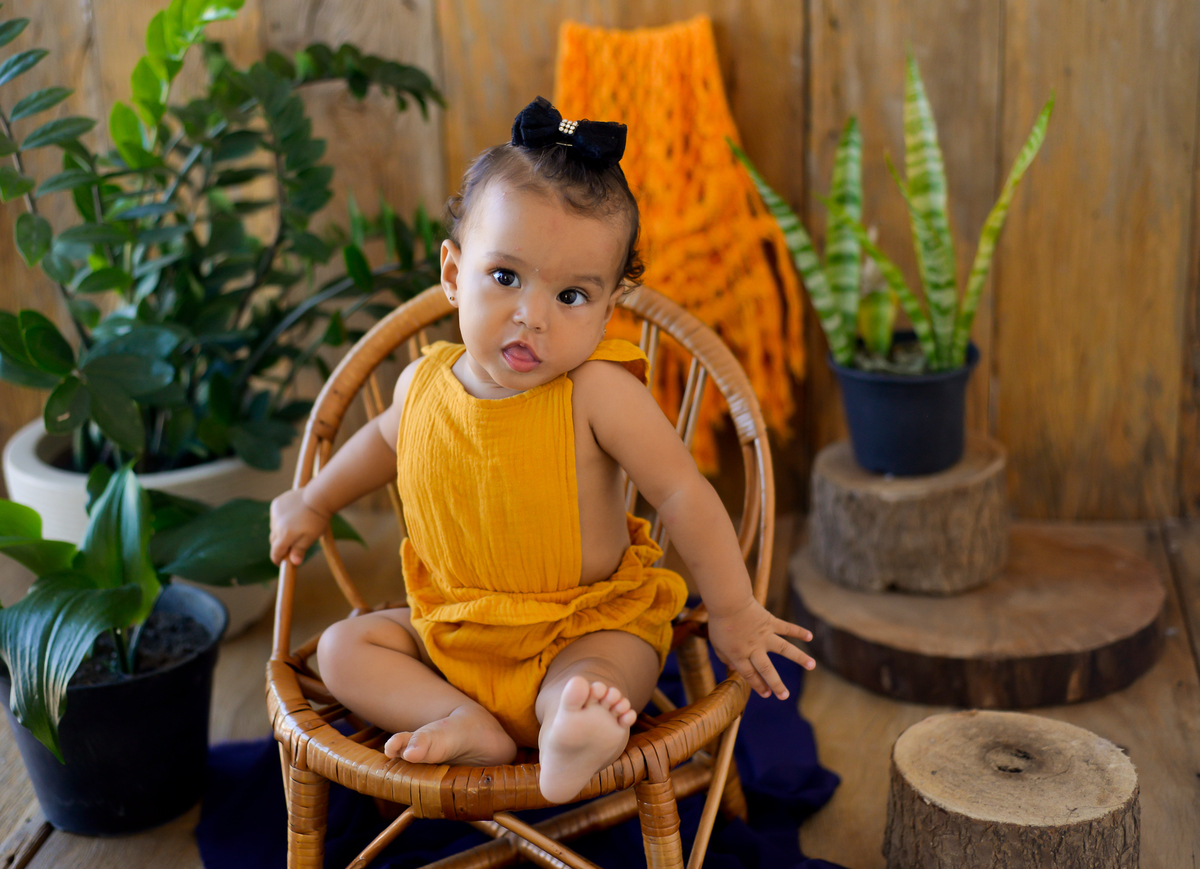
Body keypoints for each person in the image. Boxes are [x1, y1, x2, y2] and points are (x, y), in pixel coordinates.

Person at [268, 96, 816, 805]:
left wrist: (735, 608)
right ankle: (460, 720)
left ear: (607, 311)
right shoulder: (421, 383)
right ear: (452, 274)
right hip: (452, 633)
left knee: (609, 670)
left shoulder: (598, 392)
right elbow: (380, 442)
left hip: (582, 625)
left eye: (572, 296)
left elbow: (682, 493)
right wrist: (314, 499)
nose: (532, 316)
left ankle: (573, 723)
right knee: (345, 649)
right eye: (506, 277)